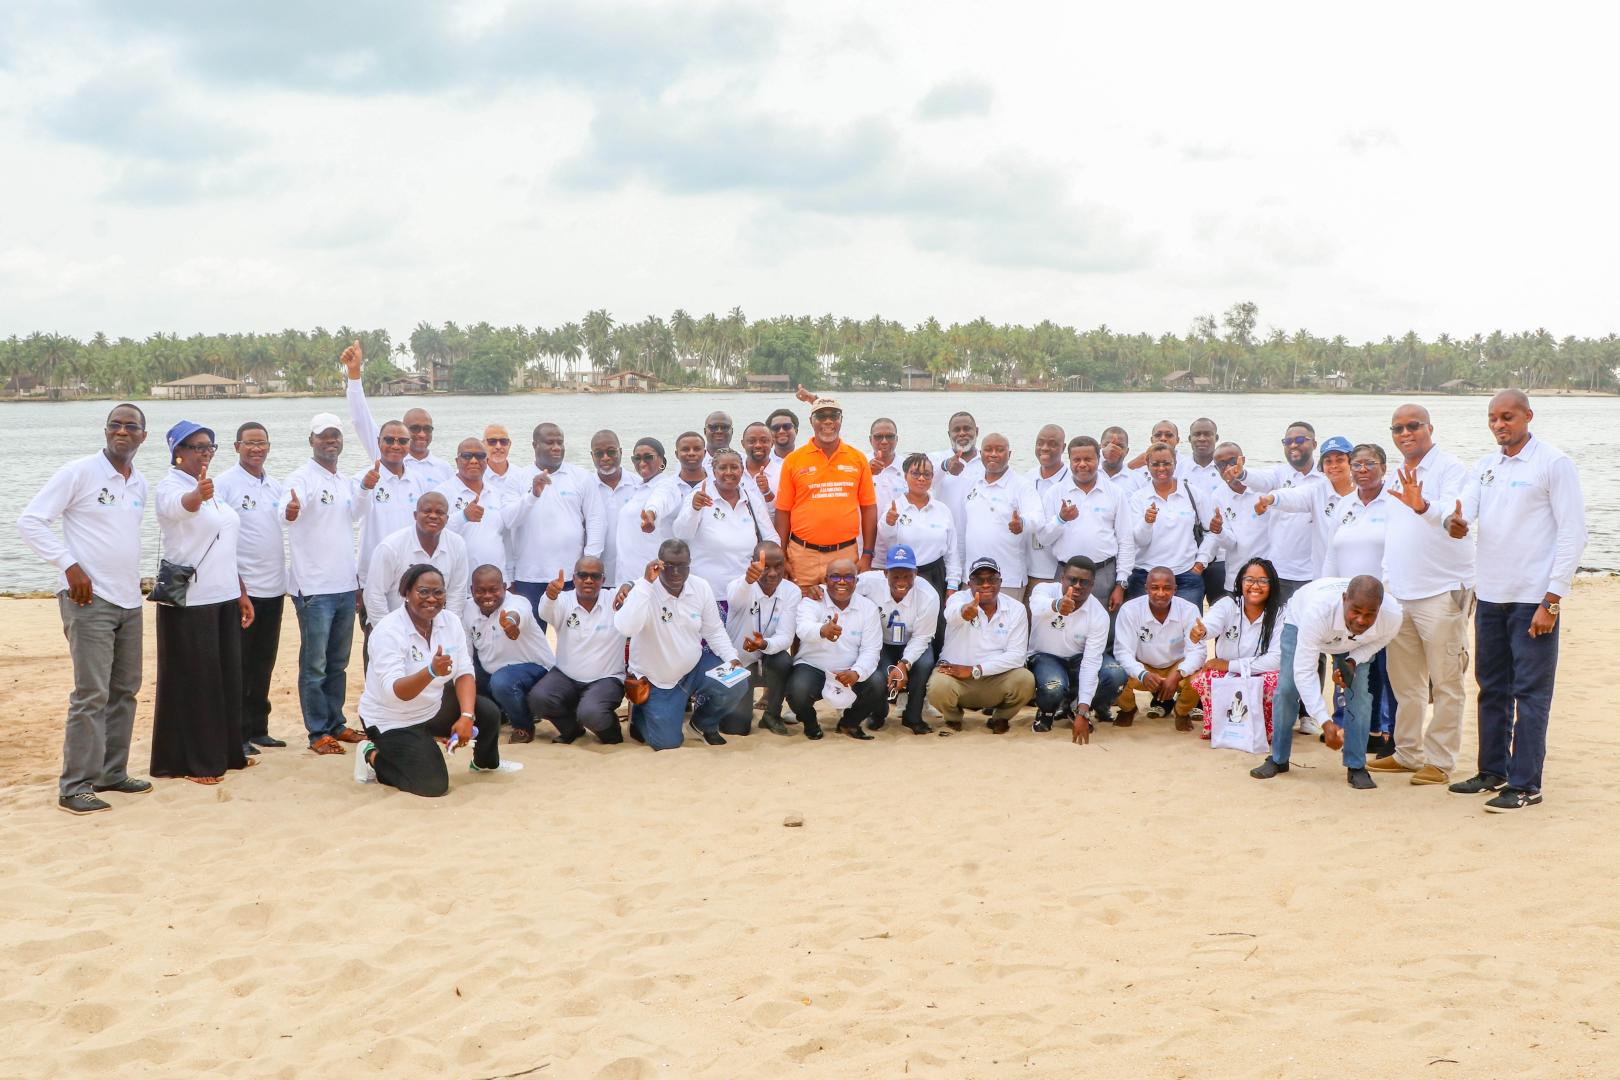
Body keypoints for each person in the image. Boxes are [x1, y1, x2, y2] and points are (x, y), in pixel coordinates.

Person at [1446, 390, 1586, 812]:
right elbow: (1463, 515)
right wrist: (1454, 524)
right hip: (1489, 596)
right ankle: (1493, 771)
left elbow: (1573, 534)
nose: (1498, 425)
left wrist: (1553, 600)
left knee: (1531, 694)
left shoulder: (1553, 463)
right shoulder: (1485, 466)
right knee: (1491, 689)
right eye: (1492, 418)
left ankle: (1526, 783)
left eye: (1507, 417)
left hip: (1533, 599)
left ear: (1528, 415)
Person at [18, 403, 153, 814]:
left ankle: (111, 772)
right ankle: (74, 785)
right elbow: (31, 521)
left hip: (129, 599)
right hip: (87, 600)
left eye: (131, 426)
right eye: (115, 425)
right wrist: (69, 565)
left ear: (143, 437)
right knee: (90, 694)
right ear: (106, 431)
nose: (122, 431)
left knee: (124, 691)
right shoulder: (79, 472)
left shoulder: (139, 482)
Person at [1369, 404, 1476, 787]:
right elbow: (1393, 539)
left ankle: (1440, 761)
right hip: (1400, 595)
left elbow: (1455, 518)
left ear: (1431, 427)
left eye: (1413, 426)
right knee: (1406, 683)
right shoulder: (1397, 476)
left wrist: (1425, 506)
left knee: (1446, 681)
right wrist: (1386, 586)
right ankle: (1408, 753)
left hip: (1441, 593)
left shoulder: (1451, 470)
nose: (1405, 433)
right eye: (1397, 428)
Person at [149, 421, 257, 785]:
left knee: (227, 679)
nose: (204, 452)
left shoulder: (216, 492)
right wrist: (196, 494)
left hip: (224, 595)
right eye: (196, 446)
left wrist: (241, 593)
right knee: (197, 682)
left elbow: (226, 544)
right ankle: (195, 762)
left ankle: (227, 754)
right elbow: (181, 507)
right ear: (177, 452)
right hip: (191, 601)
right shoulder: (171, 487)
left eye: (209, 446)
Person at [353, 565, 504, 796]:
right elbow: (396, 692)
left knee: (488, 713)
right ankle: (371, 755)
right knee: (433, 786)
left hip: (431, 706)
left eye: (438, 592)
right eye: (423, 592)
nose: (431, 599)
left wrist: (466, 717)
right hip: (392, 718)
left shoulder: (450, 621)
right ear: (406, 593)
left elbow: (464, 672)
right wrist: (431, 672)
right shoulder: (388, 631)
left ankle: (483, 764)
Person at [1249, 576, 1404, 789]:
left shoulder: (1393, 615)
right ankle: (1278, 758)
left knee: (1359, 696)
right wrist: (1324, 721)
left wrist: (1351, 661)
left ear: (1380, 608)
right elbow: (1304, 671)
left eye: (1370, 614)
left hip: (1355, 645)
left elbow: (1379, 641)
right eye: (1356, 611)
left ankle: (1356, 766)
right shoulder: (1317, 612)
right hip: (1300, 623)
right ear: (1344, 599)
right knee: (1286, 689)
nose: (1361, 620)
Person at [283, 412, 368, 755]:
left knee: (338, 662)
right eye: (324, 436)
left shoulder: (344, 481)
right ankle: (317, 731)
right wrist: (289, 509)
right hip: (314, 588)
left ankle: (336, 722)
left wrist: (366, 487)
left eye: (335, 435)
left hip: (345, 584)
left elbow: (357, 515)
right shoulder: (301, 477)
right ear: (311, 441)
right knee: (314, 663)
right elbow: (286, 507)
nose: (331, 440)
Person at [612, 539, 749, 749]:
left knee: (737, 682)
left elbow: (713, 630)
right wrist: (645, 585)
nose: (676, 572)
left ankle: (703, 723)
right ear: (659, 564)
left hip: (693, 668)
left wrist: (732, 658)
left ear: (690, 564)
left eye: (682, 566)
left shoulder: (700, 586)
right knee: (668, 743)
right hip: (658, 680)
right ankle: (639, 717)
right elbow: (626, 628)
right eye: (669, 566)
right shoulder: (643, 589)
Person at [214, 421, 289, 756]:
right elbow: (219, 539)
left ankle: (259, 728)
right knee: (239, 663)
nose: (256, 449)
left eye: (262, 443)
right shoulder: (224, 485)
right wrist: (239, 588)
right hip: (242, 589)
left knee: (263, 662)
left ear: (269, 447)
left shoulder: (276, 486)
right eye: (249, 443)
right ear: (236, 447)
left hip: (275, 587)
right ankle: (236, 732)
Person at [503, 422, 605, 620]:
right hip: (530, 575)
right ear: (535, 445)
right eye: (550, 442)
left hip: (572, 575)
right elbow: (509, 520)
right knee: (532, 638)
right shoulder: (517, 478)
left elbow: (596, 520)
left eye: (560, 442)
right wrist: (532, 495)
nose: (557, 447)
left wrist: (589, 564)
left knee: (574, 633)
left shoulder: (581, 477)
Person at [773, 396, 878, 586]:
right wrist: (782, 556)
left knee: (842, 610)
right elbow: (783, 511)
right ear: (811, 421)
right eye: (821, 416)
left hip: (845, 554)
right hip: (802, 556)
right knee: (802, 609)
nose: (828, 421)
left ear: (841, 420)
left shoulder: (857, 458)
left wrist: (868, 555)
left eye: (834, 415)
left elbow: (869, 508)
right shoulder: (793, 460)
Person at [925, 557, 1034, 733]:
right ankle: (953, 719)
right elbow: (952, 613)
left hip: (996, 677)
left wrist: (976, 669)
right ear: (969, 584)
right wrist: (964, 612)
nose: (985, 585)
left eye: (992, 579)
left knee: (1026, 680)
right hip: (956, 676)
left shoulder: (1016, 608)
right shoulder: (958, 599)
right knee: (938, 687)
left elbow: (1017, 656)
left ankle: (1000, 718)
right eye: (978, 580)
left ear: (1000, 582)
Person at [530, 555, 628, 744]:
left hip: (606, 678)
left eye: (595, 576)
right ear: (574, 578)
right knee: (539, 699)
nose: (589, 580)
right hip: (566, 675)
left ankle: (612, 735)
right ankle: (573, 730)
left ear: (603, 580)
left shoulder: (615, 600)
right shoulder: (562, 600)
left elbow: (641, 589)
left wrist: (629, 585)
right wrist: (550, 595)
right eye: (582, 575)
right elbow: (545, 612)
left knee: (591, 713)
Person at [1026, 556, 1126, 739]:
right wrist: (1057, 605)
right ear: (1062, 578)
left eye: (1084, 582)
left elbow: (1090, 662)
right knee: (1053, 686)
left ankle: (1076, 706)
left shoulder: (1099, 615)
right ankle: (1046, 713)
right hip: (1045, 657)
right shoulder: (1044, 590)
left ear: (1092, 585)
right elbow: (1037, 606)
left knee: (1115, 674)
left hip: (1078, 660)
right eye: (1073, 580)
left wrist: (1083, 712)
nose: (1078, 585)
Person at [787, 556, 884, 740]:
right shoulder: (813, 600)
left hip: (850, 669)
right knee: (796, 691)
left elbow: (871, 649)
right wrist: (822, 630)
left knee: (877, 683)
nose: (841, 581)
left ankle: (850, 723)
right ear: (825, 580)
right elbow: (802, 629)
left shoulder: (868, 608)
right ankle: (811, 724)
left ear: (856, 581)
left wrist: (857, 672)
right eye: (835, 577)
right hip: (813, 666)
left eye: (848, 577)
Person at [1188, 557, 1283, 740]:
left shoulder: (1281, 613)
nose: (1255, 586)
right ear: (1240, 582)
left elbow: (1276, 659)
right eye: (1249, 580)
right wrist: (1201, 631)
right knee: (1206, 676)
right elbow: (1211, 624)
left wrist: (1229, 665)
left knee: (1275, 681)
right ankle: (1217, 726)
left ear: (1272, 585)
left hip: (1260, 673)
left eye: (1263, 581)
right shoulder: (1228, 604)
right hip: (1231, 674)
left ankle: (1267, 731)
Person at [353, 418, 425, 650]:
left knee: (412, 641)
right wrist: (365, 488)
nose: (395, 445)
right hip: (375, 576)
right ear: (378, 442)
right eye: (389, 440)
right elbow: (354, 514)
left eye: (402, 441)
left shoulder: (418, 480)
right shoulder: (364, 477)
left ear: (410, 444)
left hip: (412, 575)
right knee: (377, 641)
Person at [1037, 436, 1132, 610]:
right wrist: (1061, 519)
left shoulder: (1115, 493)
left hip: (1103, 575)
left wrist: (1121, 584)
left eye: (1088, 459)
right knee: (1062, 626)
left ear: (1098, 459)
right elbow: (1043, 539)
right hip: (1066, 574)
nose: (1082, 464)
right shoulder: (1055, 493)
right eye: (1077, 460)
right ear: (1070, 460)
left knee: (1104, 631)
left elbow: (1125, 540)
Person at [341, 341, 453, 486]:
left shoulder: (444, 469)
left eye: (427, 429)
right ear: (404, 430)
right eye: (414, 428)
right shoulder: (387, 453)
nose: (421, 434)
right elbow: (361, 419)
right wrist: (354, 373)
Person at [855, 545, 940, 735]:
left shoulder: (929, 596)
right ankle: (878, 713)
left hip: (913, 642)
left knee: (925, 664)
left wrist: (904, 664)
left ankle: (913, 716)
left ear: (916, 573)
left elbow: (922, 637)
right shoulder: (869, 582)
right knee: (879, 675)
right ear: (885, 573)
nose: (901, 581)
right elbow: (841, 586)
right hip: (882, 643)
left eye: (907, 575)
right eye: (896, 575)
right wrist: (818, 590)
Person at [463, 564, 554, 742]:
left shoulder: (518, 602)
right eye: (480, 591)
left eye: (494, 590)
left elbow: (517, 614)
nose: (487, 596)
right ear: (472, 590)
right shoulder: (467, 609)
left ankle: (523, 726)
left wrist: (511, 623)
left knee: (502, 681)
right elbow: (466, 650)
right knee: (463, 674)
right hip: (491, 671)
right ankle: (502, 713)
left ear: (505, 588)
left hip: (535, 670)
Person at [1234, 421, 1321, 602]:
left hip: (1315, 572)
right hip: (1280, 570)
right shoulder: (1278, 474)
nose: (1293, 445)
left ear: (1314, 444)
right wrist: (1243, 474)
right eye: (1287, 441)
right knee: (1277, 625)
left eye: (1299, 440)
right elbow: (1261, 479)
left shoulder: (1326, 477)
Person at [1125, 444, 1218, 606]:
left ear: (1175, 463)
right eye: (1155, 464)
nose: (1161, 468)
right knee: (1144, 628)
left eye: (1167, 463)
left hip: (1186, 576)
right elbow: (1139, 541)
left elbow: (1213, 532)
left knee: (1190, 629)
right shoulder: (1138, 498)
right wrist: (1147, 522)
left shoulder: (1193, 494)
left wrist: (1201, 563)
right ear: (1147, 465)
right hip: (1145, 576)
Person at [1112, 567, 1204, 729]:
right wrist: (1143, 674)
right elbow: (1122, 652)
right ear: (1146, 588)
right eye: (1155, 588)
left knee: (1199, 677)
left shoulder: (1189, 609)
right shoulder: (1130, 610)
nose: (1161, 593)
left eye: (1167, 588)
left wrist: (1178, 674)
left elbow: (1198, 651)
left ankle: (1182, 712)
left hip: (1176, 666)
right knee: (1114, 673)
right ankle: (1128, 709)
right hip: (1143, 666)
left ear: (1175, 590)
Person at [957, 433, 1044, 603]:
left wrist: (1022, 523)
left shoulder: (1021, 485)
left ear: (1009, 454)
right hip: (972, 577)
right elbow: (962, 529)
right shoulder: (971, 484)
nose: (994, 454)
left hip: (1007, 578)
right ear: (980, 453)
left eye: (1000, 450)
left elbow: (1038, 517)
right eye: (988, 450)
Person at [726, 542, 802, 736]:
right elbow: (735, 600)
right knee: (736, 728)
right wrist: (747, 581)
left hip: (769, 659)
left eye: (778, 566)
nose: (773, 573)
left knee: (784, 660)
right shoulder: (738, 585)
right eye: (765, 567)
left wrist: (764, 644)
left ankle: (772, 715)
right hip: (739, 663)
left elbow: (786, 636)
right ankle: (743, 708)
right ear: (753, 564)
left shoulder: (792, 591)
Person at [365, 492, 470, 626]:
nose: (433, 516)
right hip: (391, 627)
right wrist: (387, 632)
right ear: (415, 515)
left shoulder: (457, 544)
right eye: (427, 511)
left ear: (447, 518)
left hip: (435, 629)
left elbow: (457, 593)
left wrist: (449, 629)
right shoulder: (391, 547)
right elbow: (374, 595)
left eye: (439, 512)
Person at [674, 448, 769, 596]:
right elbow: (681, 534)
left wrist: (768, 565)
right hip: (708, 592)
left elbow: (771, 537)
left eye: (734, 467)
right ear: (713, 470)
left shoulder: (751, 499)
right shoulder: (699, 496)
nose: (729, 472)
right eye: (723, 468)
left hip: (745, 590)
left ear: (742, 470)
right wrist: (694, 509)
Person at [876, 453, 960, 615]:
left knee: (936, 628)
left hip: (935, 575)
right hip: (902, 576)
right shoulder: (894, 507)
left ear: (932, 477)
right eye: (915, 473)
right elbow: (885, 537)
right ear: (905, 476)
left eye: (926, 474)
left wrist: (952, 585)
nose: (921, 478)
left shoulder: (942, 510)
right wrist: (890, 521)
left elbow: (952, 552)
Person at [435, 438, 509, 587]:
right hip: (458, 585)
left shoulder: (496, 493)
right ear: (457, 461)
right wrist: (463, 516)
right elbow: (432, 532)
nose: (474, 461)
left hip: (496, 586)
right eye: (467, 456)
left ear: (487, 461)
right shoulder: (442, 493)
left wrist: (508, 577)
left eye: (480, 456)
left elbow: (504, 539)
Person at [614, 437, 681, 587]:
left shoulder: (667, 485)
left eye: (648, 457)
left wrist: (651, 515)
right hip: (627, 578)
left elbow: (659, 501)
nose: (642, 462)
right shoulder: (638, 488)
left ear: (662, 460)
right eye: (636, 458)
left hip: (653, 579)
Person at [1023, 424, 1070, 593]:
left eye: (1052, 444)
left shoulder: (1072, 480)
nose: (1045, 448)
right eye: (1040, 442)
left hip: (1057, 571)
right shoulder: (1027, 478)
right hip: (1026, 569)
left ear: (1063, 447)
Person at [591, 429, 636, 585]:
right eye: (599, 453)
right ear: (592, 456)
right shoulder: (584, 487)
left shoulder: (639, 485)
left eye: (611, 452)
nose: (605, 458)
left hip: (632, 575)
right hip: (595, 578)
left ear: (621, 452)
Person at [930, 411, 984, 529]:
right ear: (949, 434)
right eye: (957, 430)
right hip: (947, 535)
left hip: (979, 538)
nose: (962, 433)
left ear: (977, 431)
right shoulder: (935, 458)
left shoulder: (988, 461)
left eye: (967, 429)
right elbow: (921, 480)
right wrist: (945, 466)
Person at [867, 417, 907, 569]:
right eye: (878, 437)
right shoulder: (860, 464)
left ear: (897, 439)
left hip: (899, 549)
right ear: (870, 439)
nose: (884, 441)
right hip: (865, 549)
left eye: (889, 436)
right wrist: (866, 473)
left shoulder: (907, 468)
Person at [741, 421, 782, 511]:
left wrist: (767, 492)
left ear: (772, 443)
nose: (758, 445)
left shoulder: (782, 474)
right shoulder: (733, 473)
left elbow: (784, 512)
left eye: (764, 441)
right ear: (743, 444)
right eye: (752, 441)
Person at [1098, 426, 1142, 491]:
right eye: (1107, 445)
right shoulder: (1088, 475)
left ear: (1127, 451)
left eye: (1119, 446)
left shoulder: (1139, 481)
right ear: (1100, 448)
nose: (1112, 449)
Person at [482, 424, 519, 498]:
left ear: (509, 444)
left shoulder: (520, 475)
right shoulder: (474, 477)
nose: (498, 446)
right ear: (483, 445)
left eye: (503, 441)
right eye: (492, 441)